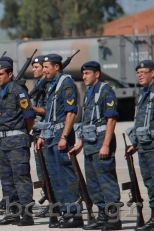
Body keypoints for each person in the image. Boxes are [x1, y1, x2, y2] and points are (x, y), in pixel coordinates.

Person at [68, 61, 121, 230]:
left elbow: (111, 119)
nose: (84, 76)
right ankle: (102, 215)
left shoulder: (105, 91)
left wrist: (105, 145)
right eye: (83, 73)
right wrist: (80, 143)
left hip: (101, 143)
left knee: (106, 181)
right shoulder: (89, 92)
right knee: (93, 183)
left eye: (87, 73)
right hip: (90, 145)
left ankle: (114, 219)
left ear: (97, 74)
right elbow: (88, 121)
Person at [35, 54, 82, 228]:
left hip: (61, 136)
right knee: (55, 177)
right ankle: (64, 212)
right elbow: (49, 114)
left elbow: (71, 112)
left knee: (66, 175)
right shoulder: (50, 86)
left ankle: (74, 213)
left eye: (47, 67)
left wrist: (64, 136)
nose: (44, 70)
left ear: (57, 67)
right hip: (50, 137)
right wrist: (41, 136)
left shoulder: (66, 83)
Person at [0, 61, 36, 226]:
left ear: (10, 74)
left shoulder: (18, 91)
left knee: (20, 177)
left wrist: (25, 132)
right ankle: (13, 212)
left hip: (17, 140)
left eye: (1, 74)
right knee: (6, 178)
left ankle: (27, 213)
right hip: (3, 141)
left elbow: (29, 115)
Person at [126, 60, 154, 231]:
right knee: (149, 183)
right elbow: (140, 122)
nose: (140, 75)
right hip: (144, 148)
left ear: (153, 73)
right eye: (138, 72)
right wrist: (134, 144)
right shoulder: (142, 94)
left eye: (144, 72)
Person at [30, 56, 49, 217]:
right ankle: (50, 200)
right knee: (41, 171)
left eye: (36, 67)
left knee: (48, 170)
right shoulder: (38, 85)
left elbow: (46, 110)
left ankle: (56, 201)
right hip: (37, 133)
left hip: (45, 134)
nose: (33, 69)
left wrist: (30, 108)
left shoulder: (47, 87)